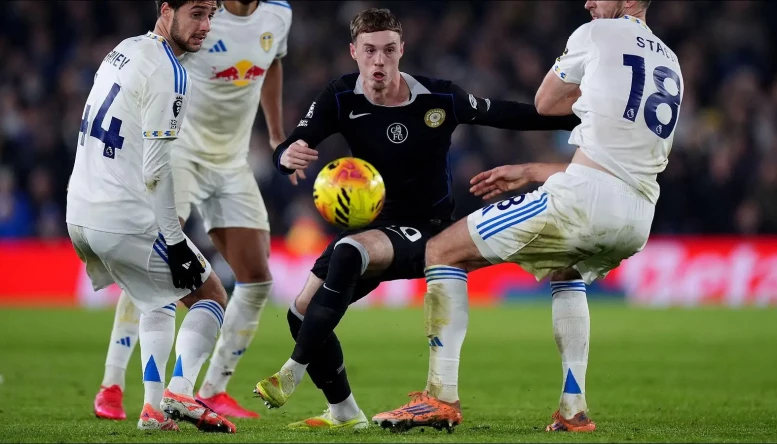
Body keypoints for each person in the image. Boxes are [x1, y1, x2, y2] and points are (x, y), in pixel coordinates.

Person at [251, 7, 580, 430]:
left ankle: (290, 373)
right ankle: (345, 413)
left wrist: (585, 118)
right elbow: (294, 143)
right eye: (369, 50)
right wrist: (284, 157)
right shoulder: (340, 96)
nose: (379, 60)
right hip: (373, 226)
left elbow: (507, 114)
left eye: (388, 50)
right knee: (300, 313)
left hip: (429, 229)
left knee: (349, 252)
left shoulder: (438, 97)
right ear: (353, 52)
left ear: (402, 50)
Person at [373, 0, 682, 433]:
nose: (588, 3)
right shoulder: (670, 62)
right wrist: (533, 171)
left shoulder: (596, 33)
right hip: (637, 215)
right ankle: (573, 410)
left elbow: (545, 103)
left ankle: (439, 397)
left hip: (584, 199)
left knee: (442, 250)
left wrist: (585, 91)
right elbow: (617, 162)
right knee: (567, 268)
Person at [92, 0, 292, 421]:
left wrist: (276, 135)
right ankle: (112, 382)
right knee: (155, 262)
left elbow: (273, 63)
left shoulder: (279, 14)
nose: (205, 21)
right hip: (179, 153)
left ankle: (213, 389)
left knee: (257, 278)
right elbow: (157, 66)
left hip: (232, 162)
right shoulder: (202, 16)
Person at [67, 0, 236, 433]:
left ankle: (153, 410)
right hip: (120, 217)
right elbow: (156, 169)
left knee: (156, 298)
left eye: (211, 15)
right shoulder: (169, 71)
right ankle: (180, 392)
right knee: (212, 296)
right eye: (196, 13)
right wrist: (174, 241)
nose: (206, 25)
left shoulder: (123, 49)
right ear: (166, 10)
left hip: (80, 211)